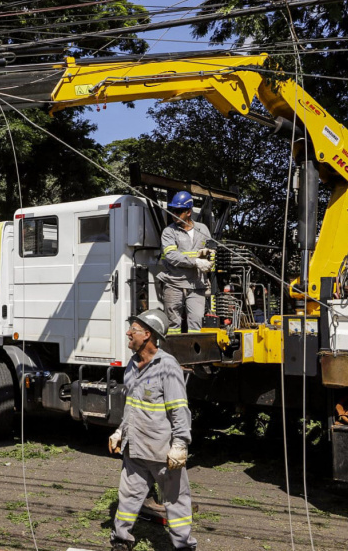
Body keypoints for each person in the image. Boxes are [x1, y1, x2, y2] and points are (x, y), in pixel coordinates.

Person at [108, 309, 196, 551]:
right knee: (127, 498)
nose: (128, 333)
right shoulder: (132, 364)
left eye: (133, 330)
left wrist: (180, 444)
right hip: (135, 446)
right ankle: (120, 541)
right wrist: (120, 432)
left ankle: (183, 546)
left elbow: (179, 409)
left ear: (147, 334)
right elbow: (132, 406)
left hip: (161, 451)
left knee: (175, 501)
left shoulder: (167, 366)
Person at [157, 191, 211, 335]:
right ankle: (175, 354)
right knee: (173, 325)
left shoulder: (203, 229)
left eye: (178, 211)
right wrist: (196, 262)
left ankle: (195, 355)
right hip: (174, 283)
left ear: (188, 212)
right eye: (173, 210)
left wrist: (210, 259)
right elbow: (171, 256)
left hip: (197, 285)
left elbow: (211, 250)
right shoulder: (169, 232)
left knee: (196, 322)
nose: (174, 214)